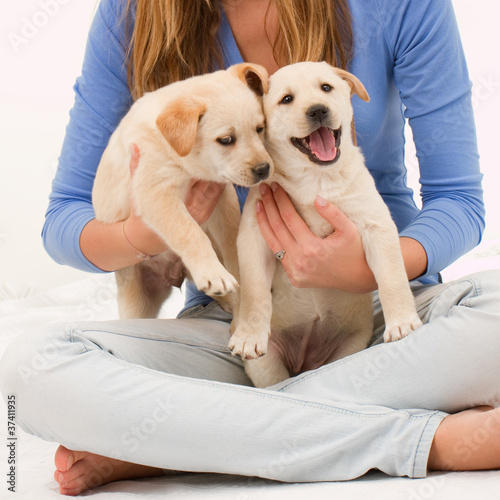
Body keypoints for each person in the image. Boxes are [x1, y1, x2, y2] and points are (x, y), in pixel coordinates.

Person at [1, 0, 500, 496]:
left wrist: (367, 271)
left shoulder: (401, 6)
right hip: (240, 327)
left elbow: (460, 201)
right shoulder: (129, 15)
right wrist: (149, 231)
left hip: (380, 320)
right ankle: (426, 440)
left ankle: (182, 442)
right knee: (31, 365)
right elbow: (64, 220)